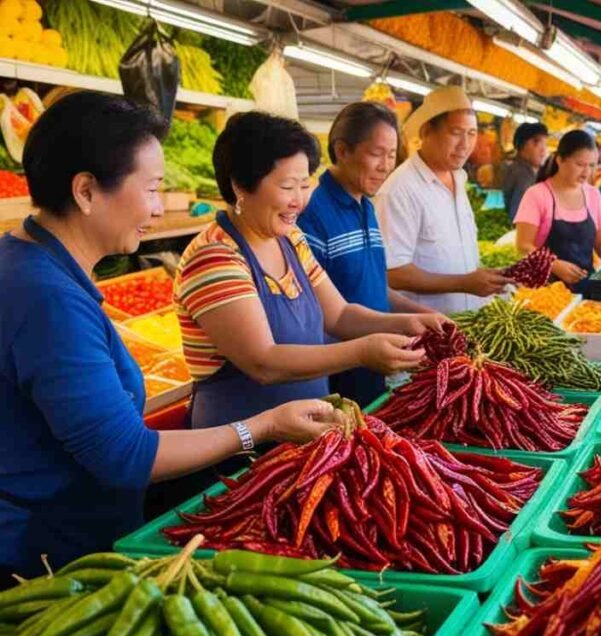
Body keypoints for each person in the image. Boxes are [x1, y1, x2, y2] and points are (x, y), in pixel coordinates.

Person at [0, 92, 346, 579]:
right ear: (85, 191)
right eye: (151, 189)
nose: (160, 209)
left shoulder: (31, 264)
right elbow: (125, 454)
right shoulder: (46, 297)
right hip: (48, 558)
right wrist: (261, 427)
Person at [175, 111, 441, 431]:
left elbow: (339, 315)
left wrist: (408, 323)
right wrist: (361, 352)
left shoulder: (291, 239)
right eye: (288, 186)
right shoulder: (213, 257)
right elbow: (263, 361)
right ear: (240, 186)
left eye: (305, 185)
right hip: (239, 451)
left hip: (306, 435)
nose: (299, 202)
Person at [299, 102, 437, 407]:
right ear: (343, 150)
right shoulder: (311, 213)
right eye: (376, 154)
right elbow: (314, 309)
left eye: (391, 155)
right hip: (335, 377)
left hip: (374, 369)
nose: (386, 165)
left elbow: (374, 287)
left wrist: (420, 314)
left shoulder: (366, 206)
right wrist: (399, 325)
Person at [378, 86, 513, 313]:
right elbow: (392, 273)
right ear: (426, 132)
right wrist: (464, 283)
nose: (465, 145)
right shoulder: (400, 190)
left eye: (471, 134)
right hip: (426, 332)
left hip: (468, 323)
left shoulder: (459, 178)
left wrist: (486, 276)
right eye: (456, 133)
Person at [514, 130, 601, 292]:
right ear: (560, 160)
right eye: (580, 165)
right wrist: (553, 264)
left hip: (585, 289)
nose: (586, 172)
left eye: (592, 165)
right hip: (545, 291)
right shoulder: (537, 194)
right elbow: (523, 246)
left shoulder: (593, 194)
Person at [502, 121, 548, 220]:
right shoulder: (521, 174)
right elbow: (518, 217)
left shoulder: (530, 172)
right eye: (536, 142)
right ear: (522, 145)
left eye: (545, 143)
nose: (543, 149)